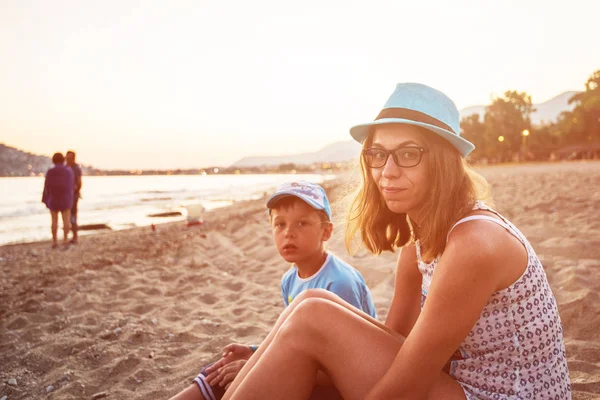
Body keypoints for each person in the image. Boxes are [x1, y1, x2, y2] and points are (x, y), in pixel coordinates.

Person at [219, 83, 572, 400]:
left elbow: (404, 387)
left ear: (443, 162)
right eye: (378, 154)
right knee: (312, 302)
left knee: (313, 314)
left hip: (502, 395)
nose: (387, 171)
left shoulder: (474, 243)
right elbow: (396, 346)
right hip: (456, 386)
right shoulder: (419, 245)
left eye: (408, 153)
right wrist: (272, 357)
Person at [168, 181, 376, 400]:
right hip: (312, 366)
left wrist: (255, 367)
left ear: (326, 231)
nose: (289, 233)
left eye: (302, 223)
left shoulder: (339, 283)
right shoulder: (289, 279)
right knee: (222, 371)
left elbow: (346, 367)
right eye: (280, 224)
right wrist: (253, 352)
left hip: (342, 385)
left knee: (249, 375)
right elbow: (295, 341)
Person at [42, 152, 74, 249]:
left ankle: (55, 241)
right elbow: (71, 185)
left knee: (54, 221)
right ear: (63, 159)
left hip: (53, 198)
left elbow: (46, 185)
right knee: (66, 221)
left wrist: (45, 198)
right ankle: (65, 240)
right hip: (65, 199)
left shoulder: (50, 171)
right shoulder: (68, 171)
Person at [66, 150, 82, 244]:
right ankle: (67, 236)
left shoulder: (76, 168)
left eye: (70, 157)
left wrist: (75, 190)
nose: (68, 159)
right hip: (65, 195)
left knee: (73, 215)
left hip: (73, 196)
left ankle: (74, 236)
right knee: (67, 216)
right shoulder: (65, 167)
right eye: (67, 157)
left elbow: (79, 183)